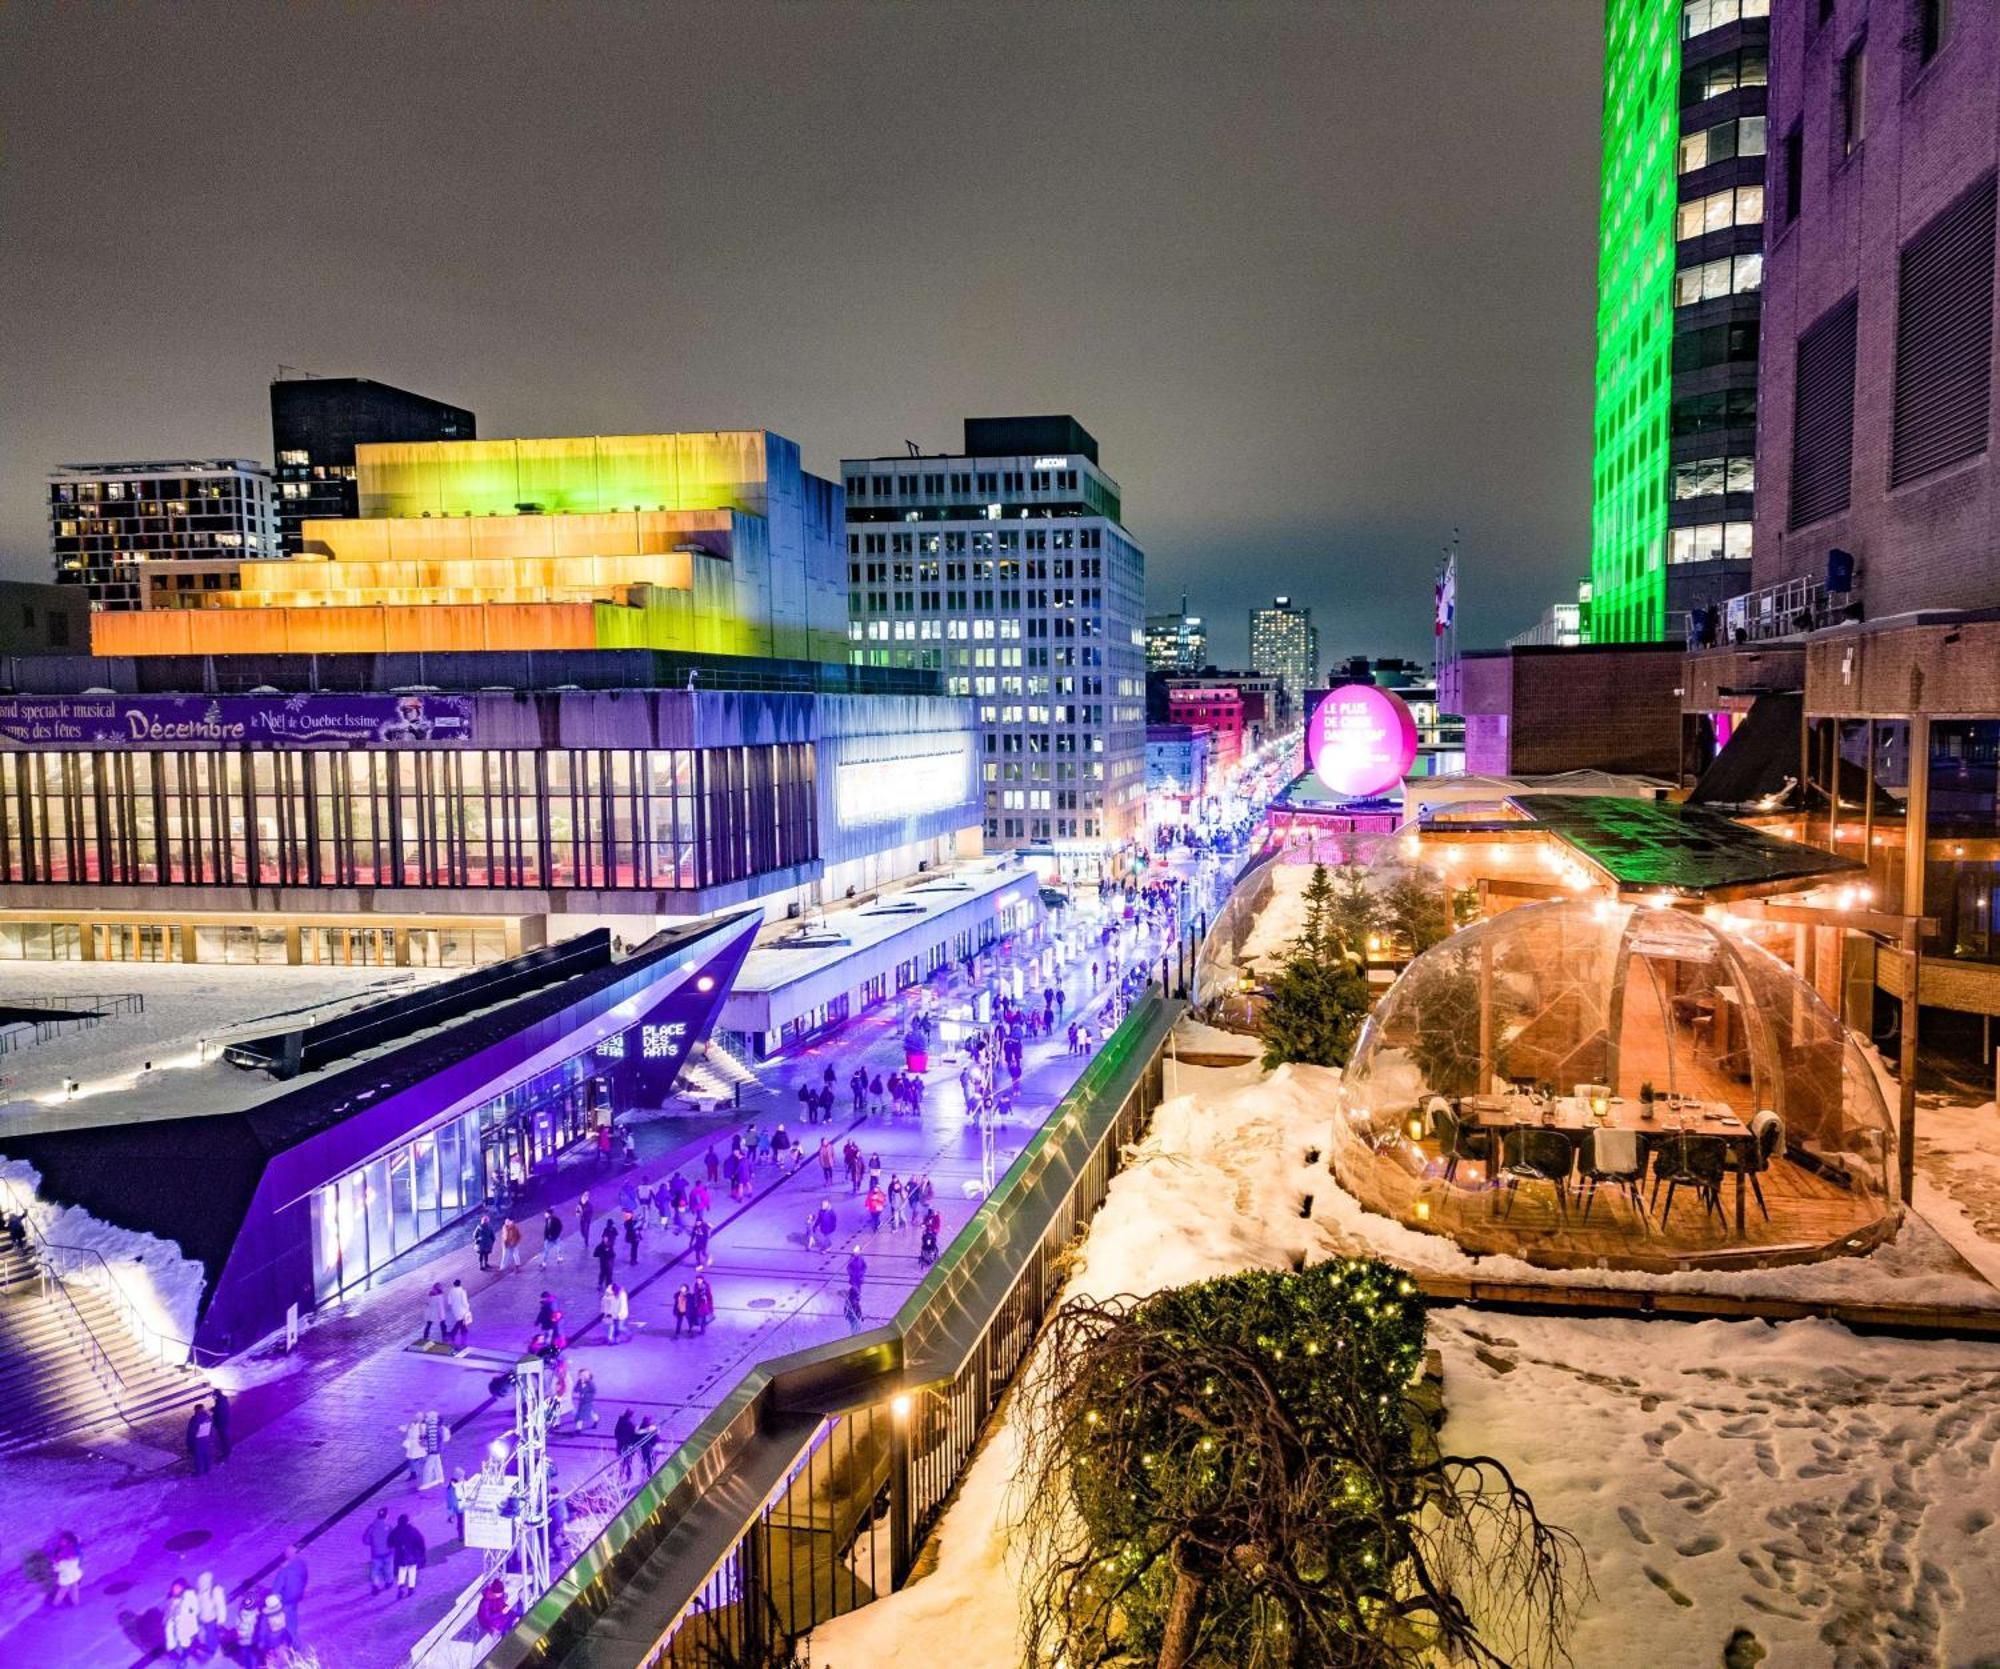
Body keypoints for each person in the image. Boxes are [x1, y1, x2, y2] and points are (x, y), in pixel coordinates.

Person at [388, 1512, 427, 1599]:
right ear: (408, 1521)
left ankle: (401, 1587)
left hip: (400, 1555)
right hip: (412, 1555)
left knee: (402, 1571)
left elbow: (389, 1542)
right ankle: (410, 1588)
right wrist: (422, 1554)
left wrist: (395, 1546)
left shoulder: (396, 1531)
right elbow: (421, 1542)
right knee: (412, 1572)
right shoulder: (413, 1530)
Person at [271, 1541, 308, 1630]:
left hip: (287, 1596)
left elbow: (278, 1586)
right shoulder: (300, 1564)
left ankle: (288, 1628)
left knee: (287, 1613)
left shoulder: (286, 1569)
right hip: (296, 1594)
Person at [163, 1578, 199, 1665]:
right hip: (173, 1628)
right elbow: (168, 1612)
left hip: (184, 1628)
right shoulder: (171, 1600)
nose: (175, 1590)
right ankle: (180, 1659)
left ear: (183, 1588)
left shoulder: (188, 1597)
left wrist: (189, 1612)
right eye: (174, 1588)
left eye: (178, 1588)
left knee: (184, 1645)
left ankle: (183, 1660)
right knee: (175, 1646)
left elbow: (195, 1609)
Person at [362, 1507, 395, 1595]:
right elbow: (394, 1539)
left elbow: (365, 1540)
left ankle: (375, 1586)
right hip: (388, 1552)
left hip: (376, 1553)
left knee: (375, 1570)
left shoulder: (371, 1527)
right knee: (388, 1568)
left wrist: (373, 1543)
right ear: (386, 1515)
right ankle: (389, 1582)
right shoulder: (389, 1526)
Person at [194, 1570, 228, 1654]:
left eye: (201, 1582)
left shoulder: (214, 1592)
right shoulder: (199, 1592)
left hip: (212, 1619)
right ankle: (211, 1645)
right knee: (207, 1633)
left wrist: (221, 1620)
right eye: (199, 1582)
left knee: (210, 1634)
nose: (200, 1584)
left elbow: (221, 1606)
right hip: (203, 1618)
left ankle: (212, 1648)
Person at [252, 1591, 292, 1656]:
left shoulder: (265, 1617)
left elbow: (263, 1630)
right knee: (283, 1649)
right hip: (281, 1635)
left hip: (273, 1638)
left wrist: (261, 1643)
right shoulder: (282, 1612)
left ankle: (279, 1658)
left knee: (276, 1652)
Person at [48, 1531, 81, 1607]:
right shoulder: (75, 1552)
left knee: (62, 1591)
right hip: (75, 1575)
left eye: (63, 1540)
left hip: (66, 1579)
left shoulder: (62, 1561)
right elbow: (77, 1542)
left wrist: (54, 1563)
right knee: (74, 1590)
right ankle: (76, 1603)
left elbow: (56, 1569)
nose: (61, 1541)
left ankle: (56, 1603)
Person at [186, 1402, 214, 1476]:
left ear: (196, 1410)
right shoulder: (208, 1417)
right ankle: (207, 1469)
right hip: (206, 1439)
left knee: (198, 1457)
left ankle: (199, 1472)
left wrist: (189, 1443)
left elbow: (191, 1432)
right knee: (206, 1454)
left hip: (198, 1441)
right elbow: (211, 1429)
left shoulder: (194, 1419)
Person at [615, 1409, 640, 1484]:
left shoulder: (620, 1421)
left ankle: (621, 1475)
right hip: (628, 1445)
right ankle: (628, 1475)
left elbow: (616, 1432)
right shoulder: (631, 1424)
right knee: (628, 1461)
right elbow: (635, 1435)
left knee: (622, 1461)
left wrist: (619, 1439)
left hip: (620, 1444)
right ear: (631, 1415)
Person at [446, 1279, 473, 1348]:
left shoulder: (451, 1291)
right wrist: (467, 1307)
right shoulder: (462, 1292)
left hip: (455, 1309)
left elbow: (449, 1302)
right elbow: (464, 1302)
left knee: (460, 1321)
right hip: (462, 1309)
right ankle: (455, 1334)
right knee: (461, 1321)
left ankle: (458, 1332)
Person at [572, 1367, 599, 1432]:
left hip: (588, 1401)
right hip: (582, 1402)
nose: (581, 1377)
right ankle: (596, 1420)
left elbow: (594, 1391)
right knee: (590, 1412)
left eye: (583, 1375)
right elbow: (576, 1389)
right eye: (580, 1375)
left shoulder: (590, 1383)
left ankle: (578, 1429)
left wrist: (586, 1394)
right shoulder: (579, 1382)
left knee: (580, 1415)